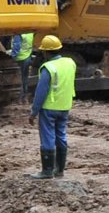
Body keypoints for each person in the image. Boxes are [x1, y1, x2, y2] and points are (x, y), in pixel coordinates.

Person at [28, 34, 76, 179]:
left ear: (45, 52)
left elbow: (40, 93)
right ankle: (60, 170)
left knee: (48, 136)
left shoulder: (48, 68)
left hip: (49, 108)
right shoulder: (70, 63)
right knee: (61, 135)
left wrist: (33, 112)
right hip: (65, 106)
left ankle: (47, 171)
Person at [8, 32, 35, 101]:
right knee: (25, 78)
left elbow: (17, 46)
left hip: (20, 58)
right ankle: (24, 95)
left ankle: (19, 97)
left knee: (19, 78)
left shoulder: (19, 33)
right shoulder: (30, 33)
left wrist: (12, 56)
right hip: (27, 56)